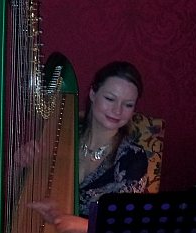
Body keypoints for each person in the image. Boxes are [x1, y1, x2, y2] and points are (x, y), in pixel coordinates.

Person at [28, 61, 148, 233]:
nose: (117, 111)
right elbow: (20, 191)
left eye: (128, 104)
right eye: (110, 98)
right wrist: (19, 164)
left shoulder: (133, 158)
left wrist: (82, 225)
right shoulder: (63, 133)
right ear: (93, 94)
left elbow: (126, 225)